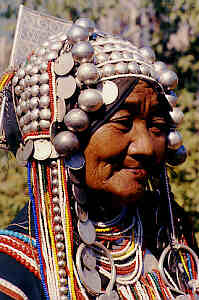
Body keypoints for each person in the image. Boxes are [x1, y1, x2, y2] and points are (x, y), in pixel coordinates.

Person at [0, 14, 198, 300]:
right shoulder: (14, 272)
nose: (145, 147)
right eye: (122, 123)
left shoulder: (172, 242)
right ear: (62, 134)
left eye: (157, 126)